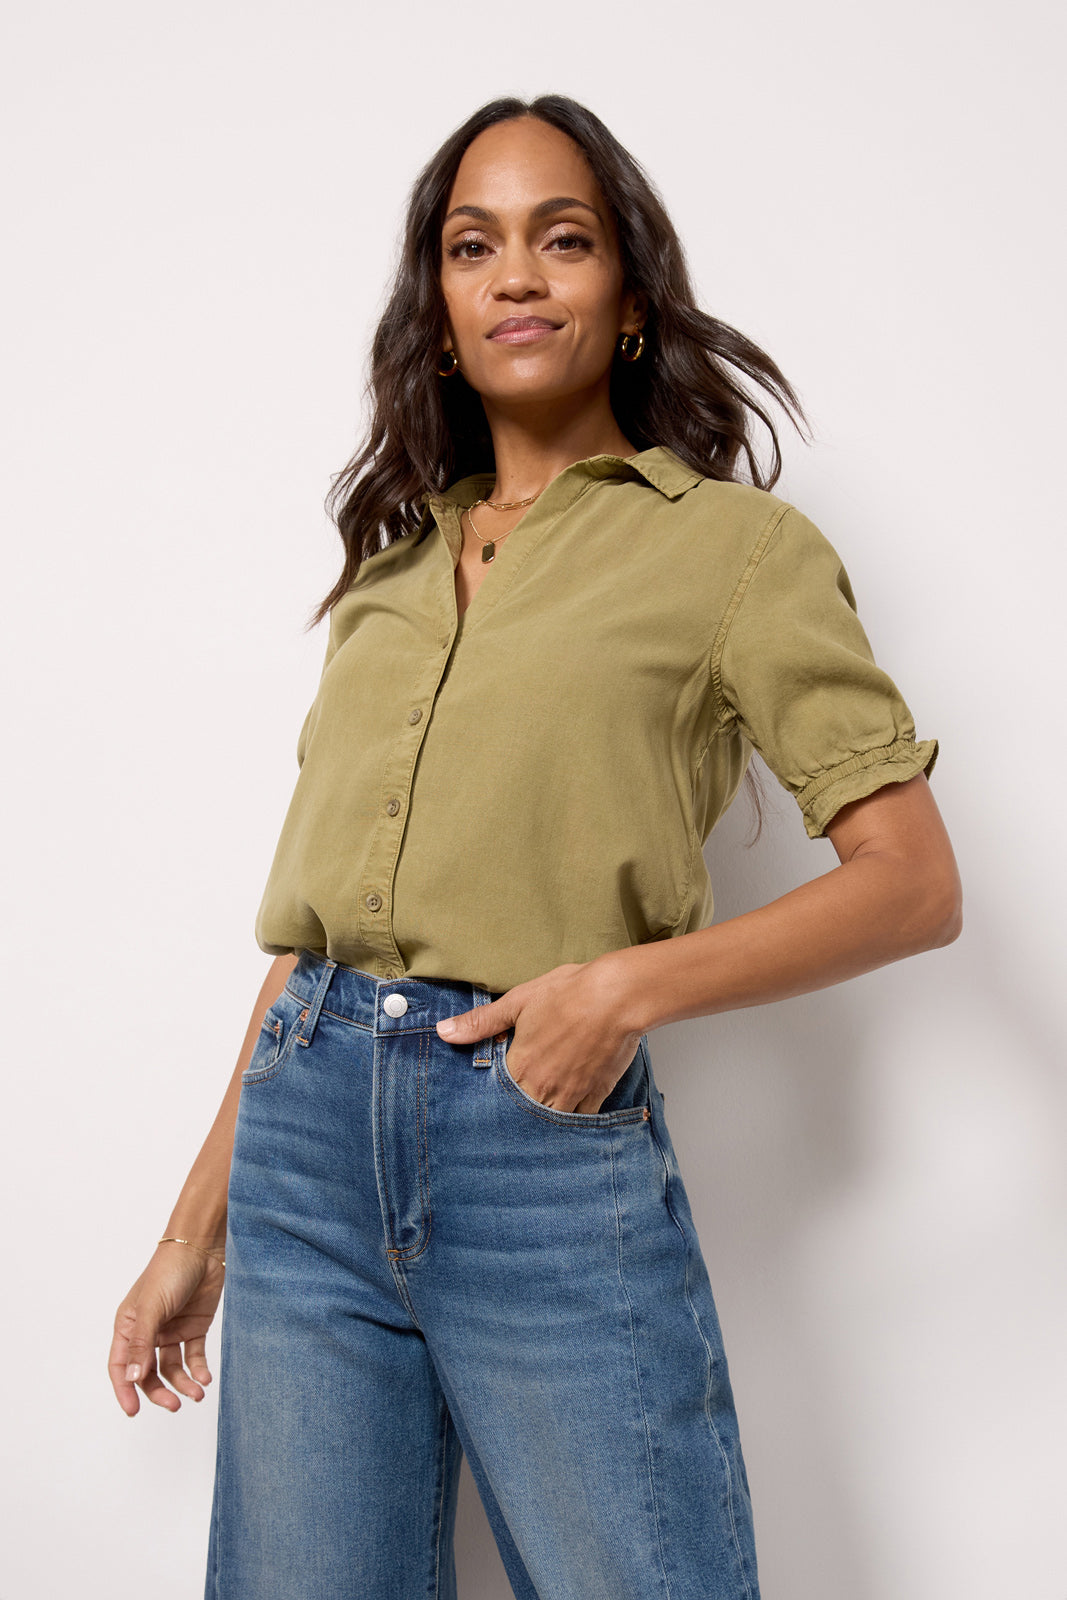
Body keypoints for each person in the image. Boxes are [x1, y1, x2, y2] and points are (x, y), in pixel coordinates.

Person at [108, 95, 961, 1600]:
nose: (516, 274)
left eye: (563, 240)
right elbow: (317, 944)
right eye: (473, 245)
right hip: (305, 1150)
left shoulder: (734, 553)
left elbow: (913, 886)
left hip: (538, 1145)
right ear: (438, 317)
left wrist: (620, 992)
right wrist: (197, 1229)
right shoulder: (386, 579)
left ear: (629, 298)